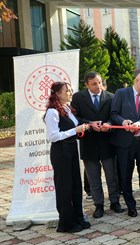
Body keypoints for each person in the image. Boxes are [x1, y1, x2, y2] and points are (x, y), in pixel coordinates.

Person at [71, 72, 124, 219]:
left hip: (107, 142)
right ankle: (98, 205)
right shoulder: (78, 98)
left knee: (111, 176)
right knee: (93, 177)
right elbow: (74, 117)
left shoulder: (111, 97)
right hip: (88, 143)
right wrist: (89, 124)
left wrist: (109, 124)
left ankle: (115, 202)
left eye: (100, 82)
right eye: (94, 83)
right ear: (86, 85)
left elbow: (115, 116)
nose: (98, 86)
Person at [44, 82, 90, 233]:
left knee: (76, 185)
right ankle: (66, 223)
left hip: (71, 150)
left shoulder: (67, 109)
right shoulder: (52, 112)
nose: (71, 93)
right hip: (61, 152)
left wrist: (88, 125)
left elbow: (77, 124)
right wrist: (74, 130)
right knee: (64, 187)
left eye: (70, 90)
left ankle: (77, 218)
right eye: (67, 91)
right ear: (57, 94)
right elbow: (53, 136)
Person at [110, 72, 140, 218]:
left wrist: (139, 123)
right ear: (137, 81)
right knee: (125, 174)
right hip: (124, 142)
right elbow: (114, 113)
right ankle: (131, 205)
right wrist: (123, 121)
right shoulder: (121, 93)